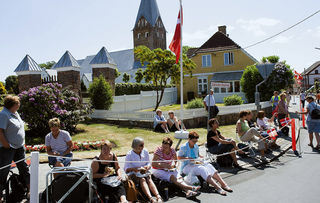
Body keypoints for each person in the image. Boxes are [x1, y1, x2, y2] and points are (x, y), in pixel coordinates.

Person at [178, 131, 233, 196]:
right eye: (193, 141)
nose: (195, 143)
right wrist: (188, 158)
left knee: (208, 165)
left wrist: (201, 157)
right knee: (202, 169)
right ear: (189, 139)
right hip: (186, 166)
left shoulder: (195, 146)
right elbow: (179, 157)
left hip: (196, 163)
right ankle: (218, 188)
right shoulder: (183, 147)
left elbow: (197, 155)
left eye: (196, 141)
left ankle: (223, 184)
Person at [0, 95, 30, 202]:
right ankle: (0, 195)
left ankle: (30, 189)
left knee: (24, 168)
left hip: (19, 147)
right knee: (3, 171)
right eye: (17, 104)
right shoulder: (3, 115)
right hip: (8, 148)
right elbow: (0, 132)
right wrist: (6, 145)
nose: (19, 105)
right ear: (12, 105)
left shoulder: (15, 113)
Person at [124, 137, 162, 202]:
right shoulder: (129, 154)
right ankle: (151, 198)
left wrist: (147, 167)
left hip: (143, 172)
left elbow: (148, 163)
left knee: (149, 179)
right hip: (133, 174)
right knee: (143, 179)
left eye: (143, 145)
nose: (143, 146)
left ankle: (158, 196)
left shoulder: (145, 151)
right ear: (136, 146)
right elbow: (126, 168)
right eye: (141, 145)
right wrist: (134, 169)